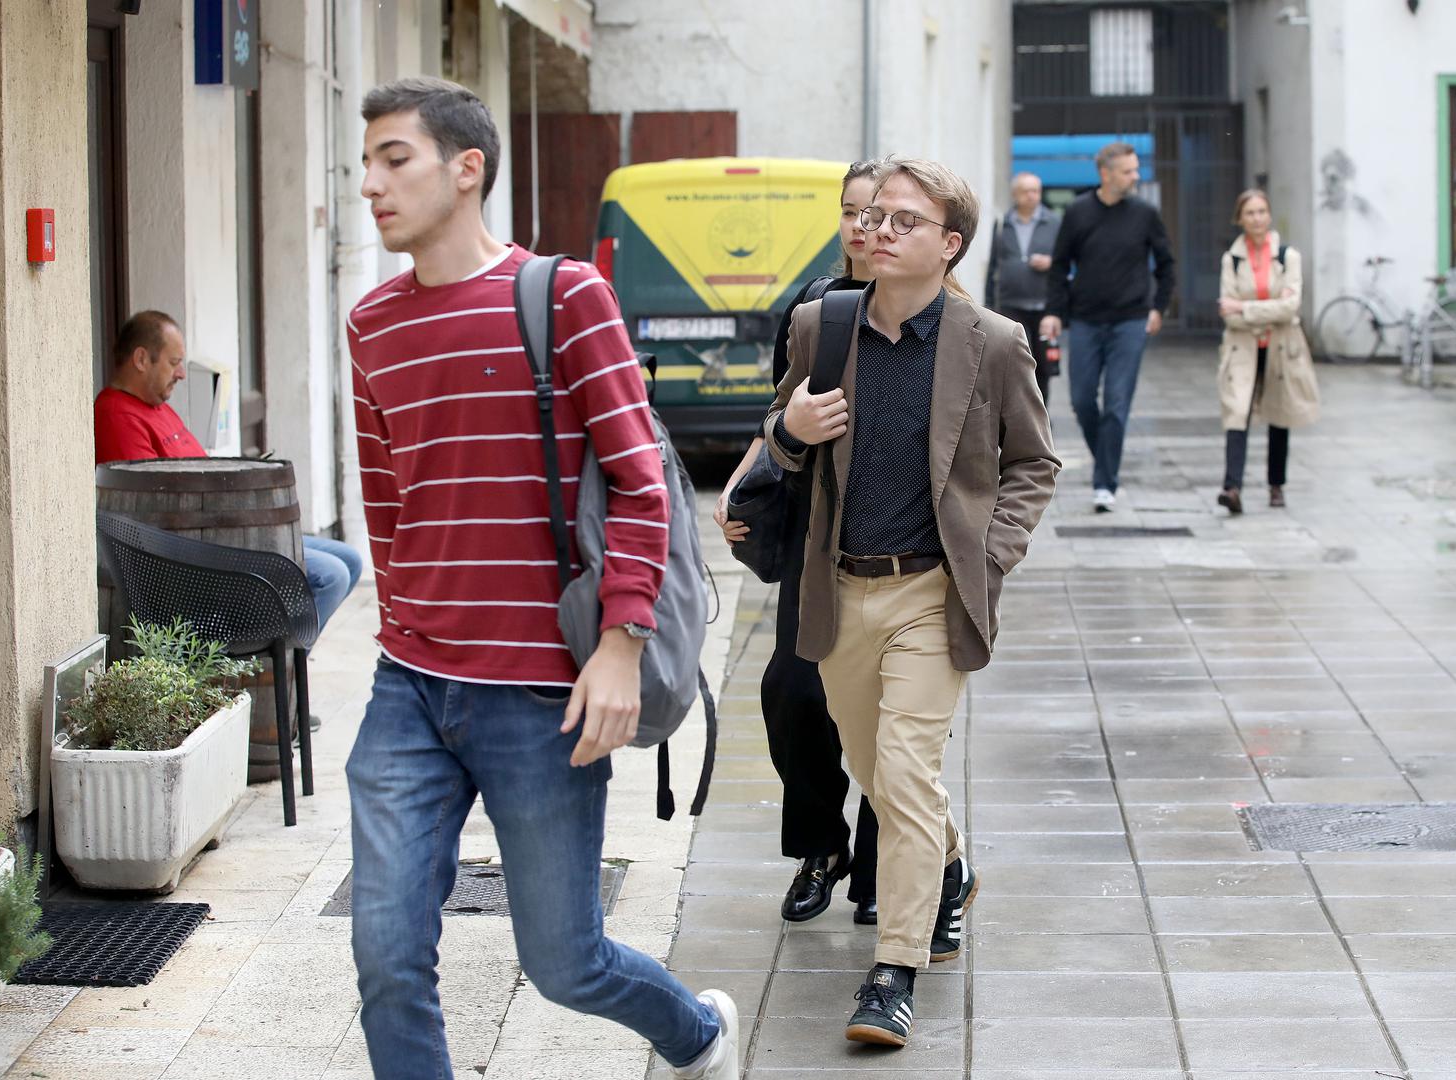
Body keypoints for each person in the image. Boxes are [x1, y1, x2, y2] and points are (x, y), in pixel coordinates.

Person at [344, 76, 738, 1080]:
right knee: (386, 953)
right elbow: (386, 502)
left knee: (564, 963)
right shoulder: (371, 325)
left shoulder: (564, 296)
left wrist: (618, 644)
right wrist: (405, 622)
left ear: (466, 167)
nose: (371, 186)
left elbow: (644, 484)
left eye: (395, 160)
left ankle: (695, 1034)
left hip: (539, 694)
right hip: (412, 688)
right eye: (366, 165)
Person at [764, 157, 1059, 1047]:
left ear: (949, 244)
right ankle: (951, 862)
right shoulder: (822, 327)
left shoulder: (992, 342)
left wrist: (988, 558)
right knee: (881, 772)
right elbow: (781, 440)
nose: (878, 231)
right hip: (840, 589)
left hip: (932, 592)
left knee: (902, 769)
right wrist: (787, 433)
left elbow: (1033, 465)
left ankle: (892, 972)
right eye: (873, 218)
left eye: (903, 221)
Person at [715, 161, 882, 927]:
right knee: (791, 694)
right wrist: (743, 479)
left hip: (899, 545)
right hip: (815, 536)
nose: (861, 226)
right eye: (850, 211)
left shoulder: (944, 313)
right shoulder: (815, 307)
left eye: (877, 212)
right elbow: (778, 409)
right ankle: (822, 844)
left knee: (889, 713)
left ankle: (886, 865)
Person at [94, 310, 363, 635]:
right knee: (331, 575)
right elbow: (151, 514)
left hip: (229, 532)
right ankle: (273, 670)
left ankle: (278, 661)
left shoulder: (157, 406)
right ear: (141, 359)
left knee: (350, 559)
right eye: (174, 362)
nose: (181, 373)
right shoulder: (116, 415)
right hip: (200, 551)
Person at [1040, 141, 1175, 512]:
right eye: (1129, 170)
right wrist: (1054, 311)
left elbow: (1166, 264)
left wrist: (1158, 307)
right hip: (1084, 320)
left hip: (1130, 322)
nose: (1136, 176)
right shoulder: (1079, 213)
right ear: (1106, 173)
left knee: (1116, 403)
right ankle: (1106, 459)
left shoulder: (1145, 214)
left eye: (1135, 169)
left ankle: (1105, 481)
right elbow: (1059, 265)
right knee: (1082, 400)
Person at [1215, 189, 1320, 514]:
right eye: (1250, 213)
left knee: (1279, 413)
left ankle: (1277, 486)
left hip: (1281, 345)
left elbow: (1290, 309)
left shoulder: (1287, 256)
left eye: (1262, 211)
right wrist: (1266, 309)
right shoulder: (1231, 259)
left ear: (1269, 215)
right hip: (1242, 347)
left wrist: (1245, 308)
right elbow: (1227, 312)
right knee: (1237, 412)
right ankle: (1232, 487)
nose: (1257, 218)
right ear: (1240, 218)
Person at [984, 171, 1062, 403]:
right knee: (1016, 362)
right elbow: (993, 266)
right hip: (1010, 305)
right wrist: (989, 305)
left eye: (1036, 191)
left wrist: (1051, 262)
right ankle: (1018, 414)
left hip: (1044, 305)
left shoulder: (1053, 223)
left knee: (1043, 366)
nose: (1032, 196)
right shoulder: (1002, 225)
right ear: (1015, 195)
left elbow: (1066, 261)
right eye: (1026, 191)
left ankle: (1042, 412)